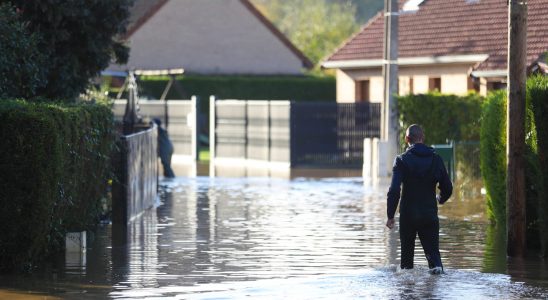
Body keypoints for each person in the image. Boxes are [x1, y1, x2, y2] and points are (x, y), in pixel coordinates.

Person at [386, 124, 452, 274]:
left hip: (408, 216)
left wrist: (390, 215)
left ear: (407, 139)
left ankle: (407, 293)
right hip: (429, 214)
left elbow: (394, 190)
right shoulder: (436, 159)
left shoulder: (401, 160)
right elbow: (448, 187)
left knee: (406, 265)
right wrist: (440, 199)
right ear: (423, 138)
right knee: (435, 261)